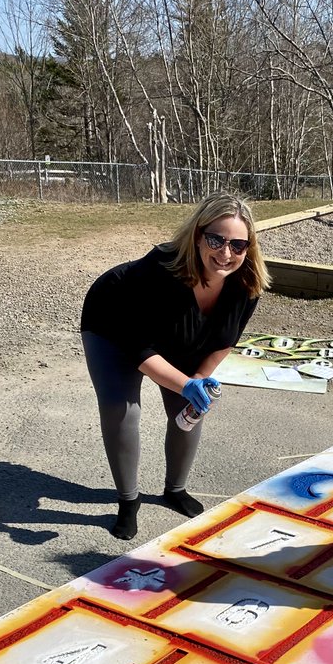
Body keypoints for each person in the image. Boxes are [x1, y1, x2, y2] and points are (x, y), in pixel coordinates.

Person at [81, 191, 269, 539]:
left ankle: (175, 489)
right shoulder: (158, 270)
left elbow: (226, 340)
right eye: (216, 239)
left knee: (190, 410)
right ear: (198, 236)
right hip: (114, 325)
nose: (226, 253)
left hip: (179, 335)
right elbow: (139, 349)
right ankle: (128, 500)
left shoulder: (246, 283)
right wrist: (184, 383)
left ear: (249, 247)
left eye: (238, 245)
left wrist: (197, 380)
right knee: (121, 409)